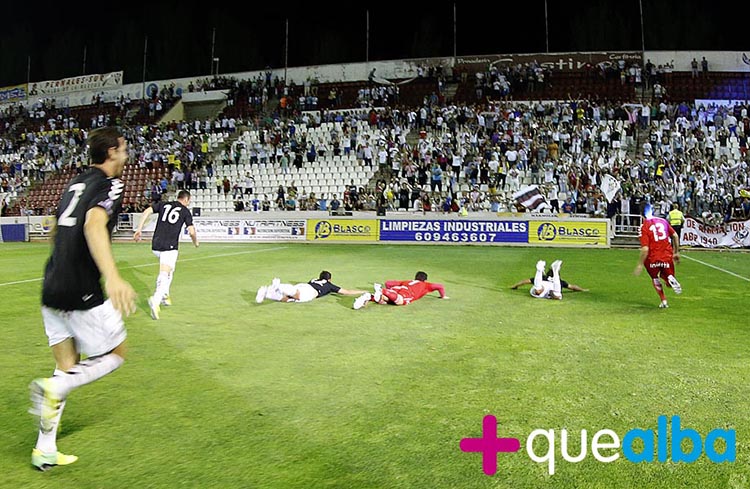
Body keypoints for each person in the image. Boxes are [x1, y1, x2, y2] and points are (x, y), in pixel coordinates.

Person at [29, 127, 137, 471]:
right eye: (123, 149)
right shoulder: (110, 184)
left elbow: (55, 230)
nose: (126, 155)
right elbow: (93, 225)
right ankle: (53, 390)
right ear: (110, 152)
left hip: (52, 284)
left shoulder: (74, 183)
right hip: (81, 288)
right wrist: (114, 277)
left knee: (65, 367)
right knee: (116, 354)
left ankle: (44, 449)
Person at [133, 189, 199, 320]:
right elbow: (191, 231)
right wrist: (195, 242)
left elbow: (146, 211)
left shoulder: (163, 204)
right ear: (186, 200)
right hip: (169, 246)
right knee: (165, 273)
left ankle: (165, 295)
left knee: (170, 270)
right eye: (189, 201)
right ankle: (156, 299)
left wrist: (139, 229)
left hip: (156, 244)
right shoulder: (185, 211)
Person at [634, 204, 682, 308]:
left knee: (655, 278)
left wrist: (640, 264)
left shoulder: (644, 226)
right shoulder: (663, 221)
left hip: (652, 258)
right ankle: (670, 278)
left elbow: (645, 249)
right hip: (666, 255)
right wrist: (676, 252)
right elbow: (675, 236)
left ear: (641, 216)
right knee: (668, 278)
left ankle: (663, 300)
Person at [353, 271, 448, 309]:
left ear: (415, 277)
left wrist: (390, 290)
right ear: (425, 279)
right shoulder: (426, 285)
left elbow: (388, 283)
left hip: (397, 289)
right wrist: (442, 296)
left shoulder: (406, 281)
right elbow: (440, 286)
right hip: (406, 293)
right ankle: (382, 291)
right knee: (400, 302)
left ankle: (369, 297)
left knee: (386, 301)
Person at [256, 271, 367, 303]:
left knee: (289, 299)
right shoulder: (329, 285)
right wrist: (362, 291)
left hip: (304, 285)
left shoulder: (314, 279)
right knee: (297, 296)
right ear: (329, 279)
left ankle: (266, 293)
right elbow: (346, 292)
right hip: (311, 292)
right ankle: (278, 285)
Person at [510, 263, 588, 292]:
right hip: (552, 291)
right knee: (556, 294)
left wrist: (515, 286)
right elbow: (573, 287)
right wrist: (582, 289)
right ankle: (553, 270)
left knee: (538, 289)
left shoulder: (542, 278)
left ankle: (539, 270)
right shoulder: (561, 282)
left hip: (540, 290)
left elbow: (524, 281)